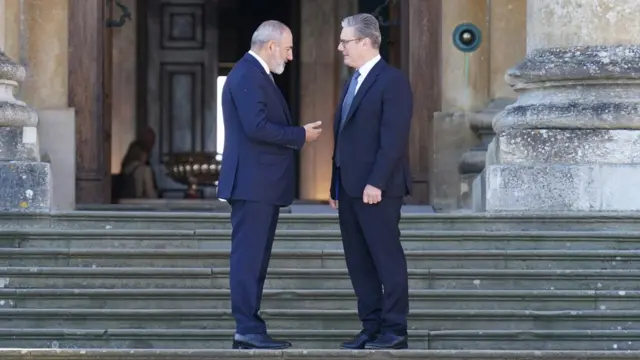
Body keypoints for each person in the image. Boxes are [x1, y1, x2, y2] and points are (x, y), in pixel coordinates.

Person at [217, 20, 322, 350]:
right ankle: (247, 328)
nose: (290, 57)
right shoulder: (248, 74)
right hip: (252, 184)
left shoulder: (254, 74)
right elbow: (257, 127)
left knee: (255, 259)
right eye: (288, 48)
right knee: (249, 260)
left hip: (258, 184)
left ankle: (250, 327)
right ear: (271, 45)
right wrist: (299, 135)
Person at [329, 13, 413, 350]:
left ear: (366, 42)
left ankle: (394, 330)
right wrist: (335, 187)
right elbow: (346, 139)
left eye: (345, 41)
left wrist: (375, 182)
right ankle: (371, 327)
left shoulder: (392, 81)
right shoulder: (352, 81)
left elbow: (393, 139)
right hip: (349, 190)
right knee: (359, 263)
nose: (340, 47)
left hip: (378, 190)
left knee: (385, 259)